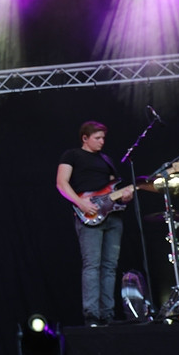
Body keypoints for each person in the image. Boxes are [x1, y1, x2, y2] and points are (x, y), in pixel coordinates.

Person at [56, 121, 135, 327]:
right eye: (97, 138)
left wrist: (125, 196)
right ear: (85, 138)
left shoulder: (106, 160)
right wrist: (80, 202)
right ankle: (91, 314)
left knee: (110, 267)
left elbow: (112, 190)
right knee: (92, 265)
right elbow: (61, 183)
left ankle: (107, 314)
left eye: (103, 138)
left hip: (113, 216)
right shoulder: (71, 155)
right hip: (88, 213)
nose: (102, 141)